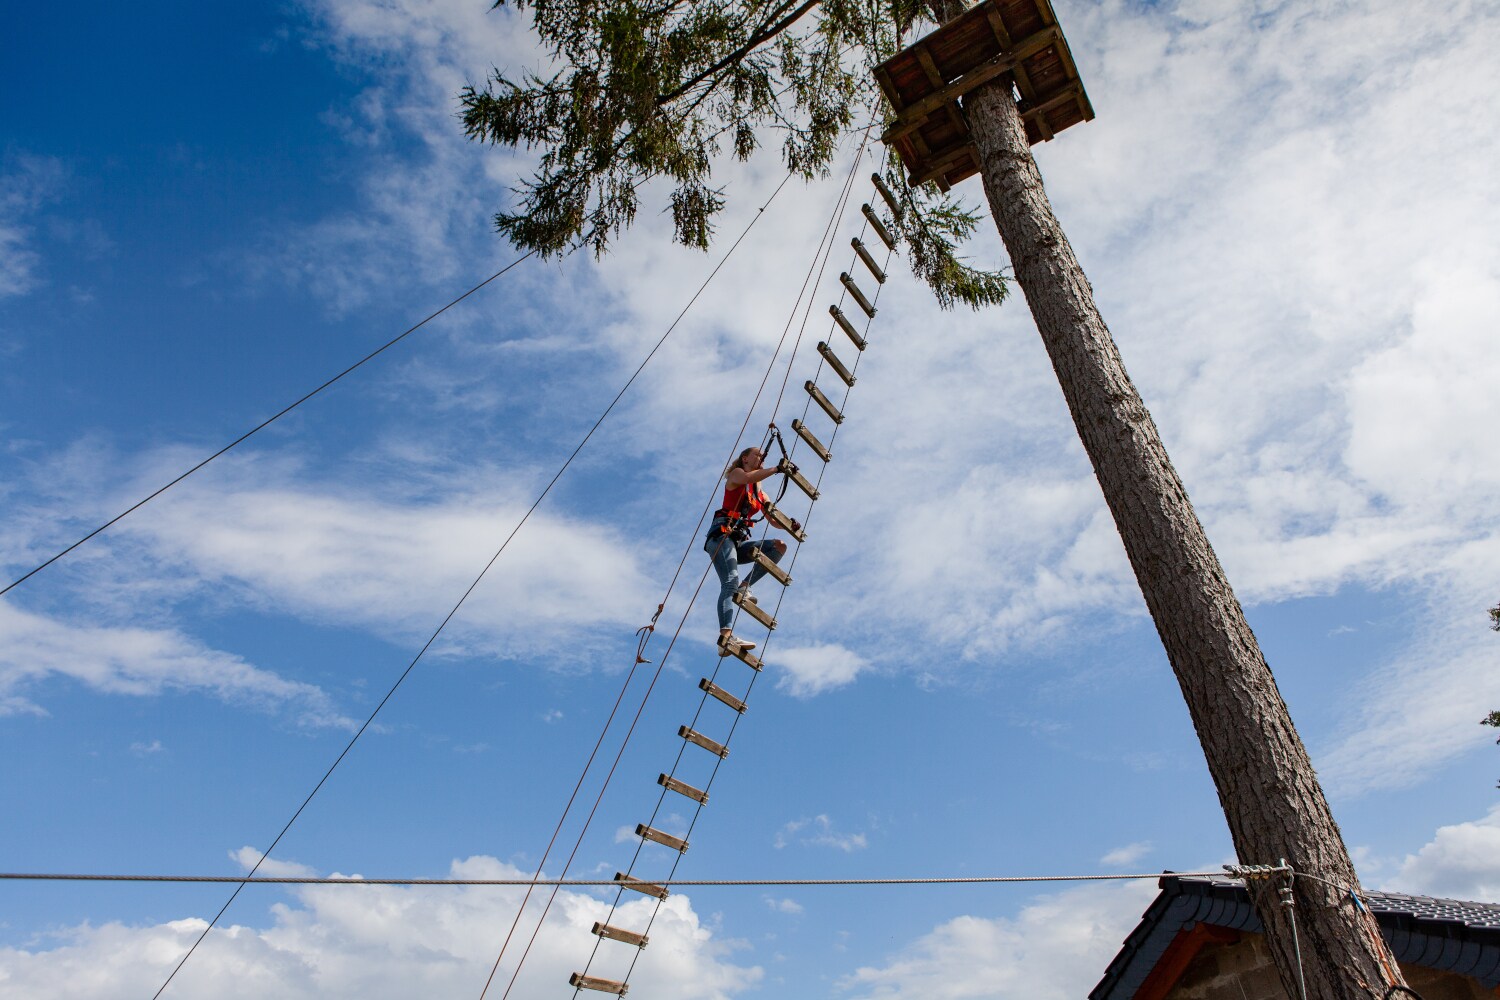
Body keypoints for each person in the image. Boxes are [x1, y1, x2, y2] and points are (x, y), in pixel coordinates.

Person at [705, 445, 800, 656]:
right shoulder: (737, 474)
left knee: (779, 546)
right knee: (729, 583)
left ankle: (745, 586)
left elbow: (771, 518)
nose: (762, 459)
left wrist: (788, 524)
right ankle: (725, 639)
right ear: (745, 458)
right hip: (722, 537)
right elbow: (749, 478)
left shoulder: (760, 492)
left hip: (737, 542)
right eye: (758, 455)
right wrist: (777, 469)